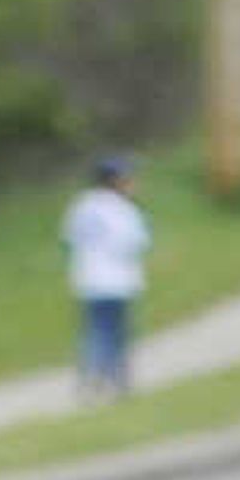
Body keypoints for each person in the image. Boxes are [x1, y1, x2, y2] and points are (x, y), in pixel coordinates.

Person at [61, 156, 151, 402]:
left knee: (93, 331)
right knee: (117, 333)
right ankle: (118, 380)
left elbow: (69, 238)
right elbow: (135, 243)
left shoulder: (81, 206)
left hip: (88, 279)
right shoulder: (123, 210)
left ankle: (90, 377)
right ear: (115, 181)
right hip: (117, 280)